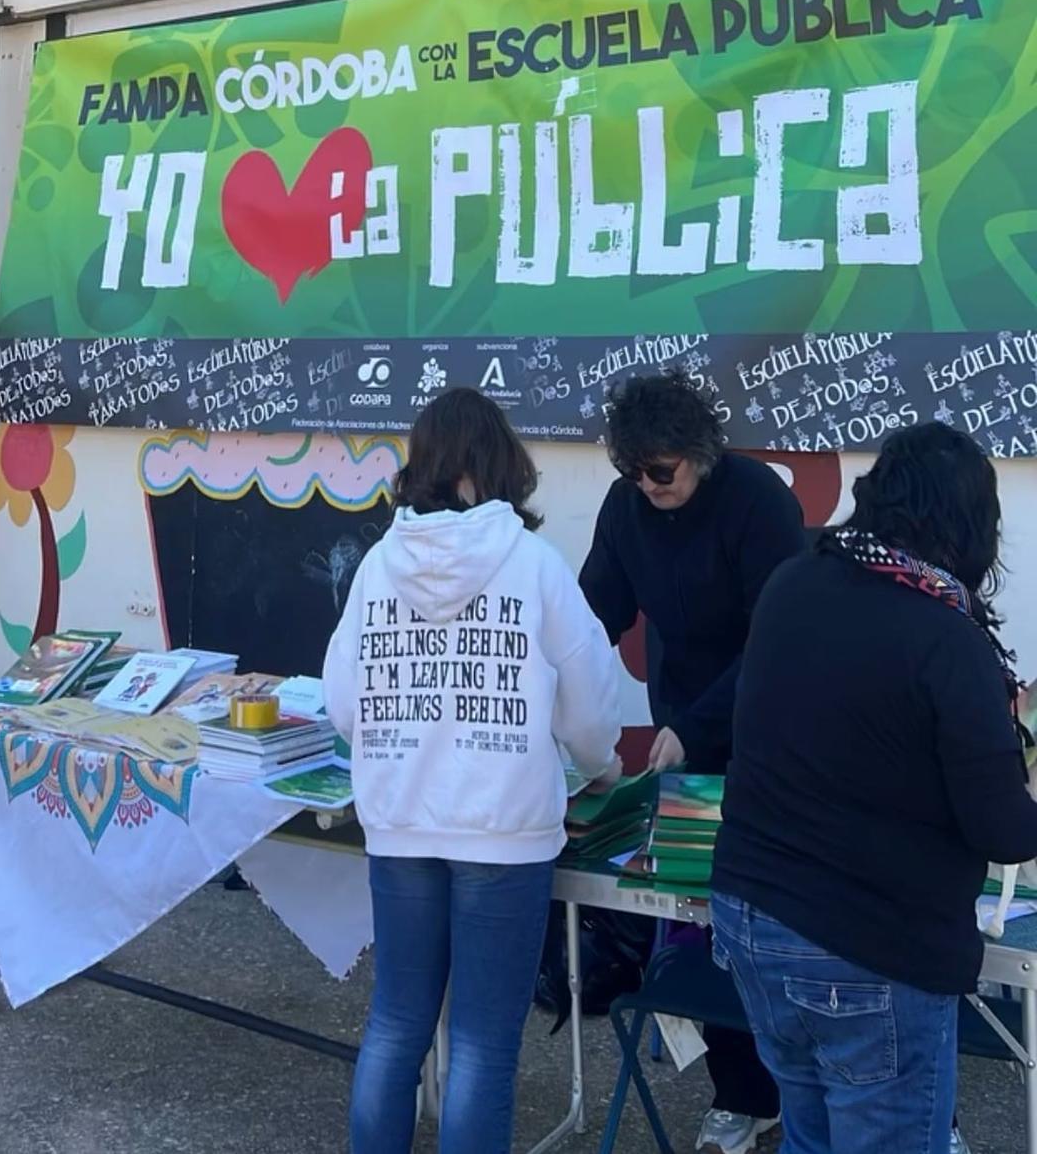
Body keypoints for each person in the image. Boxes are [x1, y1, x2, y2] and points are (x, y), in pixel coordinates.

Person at [711, 423, 1037, 1154]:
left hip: (753, 923)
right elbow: (1006, 831)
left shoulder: (796, 581)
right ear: (970, 527)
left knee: (812, 1134)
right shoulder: (944, 636)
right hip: (868, 951)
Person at [324, 388, 623, 1154]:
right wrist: (598, 766)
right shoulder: (534, 566)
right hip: (506, 832)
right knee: (485, 1047)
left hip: (400, 825)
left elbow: (342, 701)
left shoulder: (377, 567)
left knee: (396, 1023)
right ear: (503, 464)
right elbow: (592, 708)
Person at [579, 371, 804, 1153]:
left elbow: (777, 641)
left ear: (701, 453)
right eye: (631, 472)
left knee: (768, 923)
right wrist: (549, 688)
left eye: (661, 471)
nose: (646, 485)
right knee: (700, 918)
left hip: (768, 737)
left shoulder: (757, 503)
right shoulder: (629, 507)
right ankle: (742, 1093)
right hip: (683, 726)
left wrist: (701, 725)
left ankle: (797, 1085)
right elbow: (593, 611)